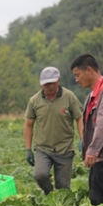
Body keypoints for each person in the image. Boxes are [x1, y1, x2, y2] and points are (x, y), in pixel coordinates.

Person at [23, 66, 83, 195]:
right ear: (41, 84)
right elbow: (28, 124)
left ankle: (60, 205)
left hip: (65, 149)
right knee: (40, 175)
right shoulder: (34, 101)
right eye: (46, 84)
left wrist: (83, 139)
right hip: (43, 148)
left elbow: (79, 118)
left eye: (52, 83)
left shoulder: (69, 97)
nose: (50, 87)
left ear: (58, 80)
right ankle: (50, 193)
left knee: (63, 188)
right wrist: (28, 149)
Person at [72, 54, 103, 205]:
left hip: (101, 156)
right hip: (98, 158)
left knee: (99, 200)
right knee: (96, 199)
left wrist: (93, 150)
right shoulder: (91, 97)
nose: (76, 80)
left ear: (89, 70)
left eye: (78, 75)